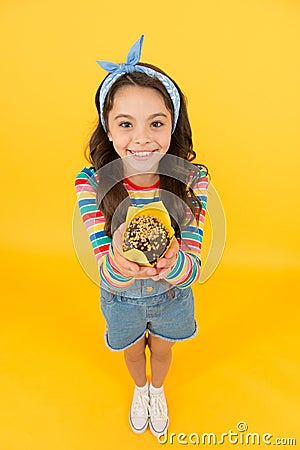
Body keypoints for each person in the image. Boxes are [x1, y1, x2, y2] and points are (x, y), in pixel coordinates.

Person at [75, 35, 210, 438]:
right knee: (133, 352)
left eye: (156, 123)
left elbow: (193, 267)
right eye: (125, 124)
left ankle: (157, 389)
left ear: (173, 125)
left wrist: (176, 264)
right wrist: (117, 257)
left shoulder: (193, 180)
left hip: (173, 296)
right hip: (120, 300)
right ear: (108, 129)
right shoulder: (92, 184)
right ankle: (140, 389)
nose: (142, 138)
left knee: (163, 350)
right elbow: (107, 272)